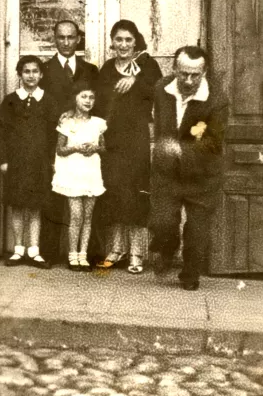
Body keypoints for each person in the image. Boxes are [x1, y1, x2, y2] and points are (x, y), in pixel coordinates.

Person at [150, 46, 227, 291]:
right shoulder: (161, 89)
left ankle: (190, 274)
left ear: (204, 72)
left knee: (197, 231)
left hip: (202, 175)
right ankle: (167, 248)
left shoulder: (217, 100)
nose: (189, 80)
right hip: (167, 173)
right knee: (162, 223)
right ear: (174, 69)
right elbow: (161, 125)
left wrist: (180, 150)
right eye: (184, 74)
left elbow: (214, 142)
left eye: (196, 75)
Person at [94, 20, 162, 274]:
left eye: (128, 40)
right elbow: (99, 106)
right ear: (112, 42)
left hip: (136, 139)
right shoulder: (107, 69)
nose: (123, 45)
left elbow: (160, 91)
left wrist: (136, 81)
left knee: (135, 193)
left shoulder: (148, 66)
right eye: (118, 39)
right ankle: (116, 249)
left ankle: (136, 253)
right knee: (113, 192)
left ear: (136, 42)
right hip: (111, 140)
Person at [40, 19, 99, 261]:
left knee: (87, 198)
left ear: (78, 39)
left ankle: (89, 253)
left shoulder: (90, 70)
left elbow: (98, 105)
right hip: (54, 141)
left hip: (85, 143)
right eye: (61, 37)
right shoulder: (43, 70)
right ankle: (50, 253)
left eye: (71, 37)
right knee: (53, 196)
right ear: (54, 39)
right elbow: (42, 108)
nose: (66, 42)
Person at [0, 55, 58, 268]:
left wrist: (52, 160)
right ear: (20, 74)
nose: (31, 76)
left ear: (41, 74)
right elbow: (1, 133)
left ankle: (34, 250)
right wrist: (3, 159)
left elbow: (54, 134)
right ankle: (18, 249)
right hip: (17, 162)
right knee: (17, 205)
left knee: (35, 206)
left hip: (39, 162)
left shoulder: (48, 101)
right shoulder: (10, 100)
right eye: (26, 71)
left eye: (35, 71)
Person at [51, 80, 106, 272]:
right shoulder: (66, 122)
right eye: (84, 96)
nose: (88, 100)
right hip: (73, 173)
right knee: (76, 216)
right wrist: (75, 147)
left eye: (91, 97)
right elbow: (60, 150)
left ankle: (83, 255)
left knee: (88, 217)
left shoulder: (98, 123)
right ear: (75, 99)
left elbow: (104, 147)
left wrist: (95, 147)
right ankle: (72, 255)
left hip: (91, 173)